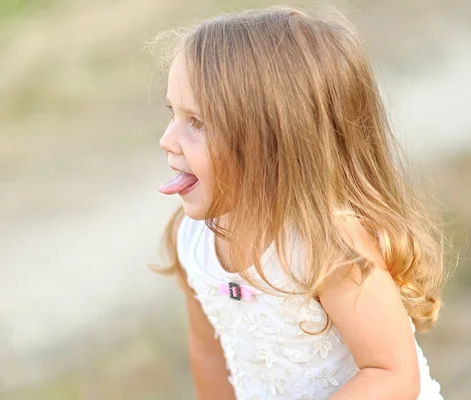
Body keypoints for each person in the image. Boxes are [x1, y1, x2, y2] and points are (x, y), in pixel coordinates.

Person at [151, 5, 445, 400]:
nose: (167, 140)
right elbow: (208, 352)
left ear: (273, 141)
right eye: (174, 114)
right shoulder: (191, 239)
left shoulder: (329, 246)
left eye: (197, 123)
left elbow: (391, 374)